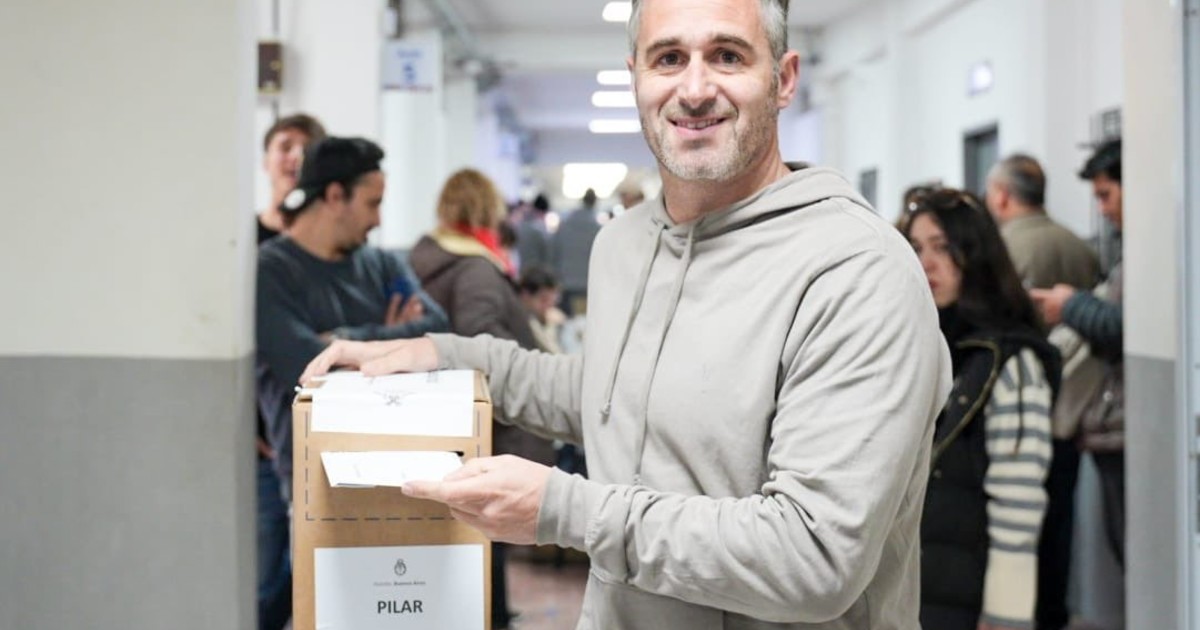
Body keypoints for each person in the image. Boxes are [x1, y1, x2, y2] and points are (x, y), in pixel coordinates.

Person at [301, 1, 951, 628]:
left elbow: (813, 556)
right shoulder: (625, 244)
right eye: (668, 58)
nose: (694, 89)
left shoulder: (857, 269)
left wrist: (565, 509)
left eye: (727, 55)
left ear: (783, 79)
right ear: (635, 76)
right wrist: (442, 355)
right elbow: (615, 398)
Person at [902, 189, 1061, 630]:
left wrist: (1006, 613)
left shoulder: (1010, 361)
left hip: (967, 597)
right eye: (916, 248)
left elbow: (1019, 502)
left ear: (974, 255)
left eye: (943, 248)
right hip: (913, 590)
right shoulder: (915, 345)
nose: (927, 263)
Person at [256, 135, 449, 495]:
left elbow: (437, 330)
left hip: (396, 468)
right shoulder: (269, 272)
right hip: (311, 480)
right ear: (334, 196)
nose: (377, 220)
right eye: (372, 204)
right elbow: (307, 367)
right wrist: (396, 342)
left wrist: (344, 342)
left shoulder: (384, 266)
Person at [407, 168, 556, 629]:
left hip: (446, 424)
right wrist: (529, 365)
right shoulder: (474, 268)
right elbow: (482, 339)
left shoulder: (429, 259)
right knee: (485, 538)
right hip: (491, 428)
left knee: (471, 542)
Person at [984, 153, 1101, 630]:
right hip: (1073, 413)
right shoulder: (1079, 247)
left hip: (1017, 419)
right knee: (1058, 532)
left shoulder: (1001, 254)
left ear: (1002, 196)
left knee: (1013, 529)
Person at [1030, 139, 1126, 569]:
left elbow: (1122, 325)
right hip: (1106, 421)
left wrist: (1070, 306)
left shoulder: (1151, 248)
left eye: (1106, 195)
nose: (1103, 209)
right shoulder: (1079, 243)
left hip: (1116, 423)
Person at [253, 111, 325, 630]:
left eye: (306, 147)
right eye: (284, 145)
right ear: (265, 159)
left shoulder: (329, 249)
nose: (294, 156)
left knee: (309, 575)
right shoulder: (244, 241)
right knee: (263, 577)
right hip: (259, 441)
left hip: (316, 436)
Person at [258, 113, 327, 244]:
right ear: (266, 161)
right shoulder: (241, 233)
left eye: (308, 150)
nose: (297, 157)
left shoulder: (334, 239)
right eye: (285, 148)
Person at [552, 188, 601, 316]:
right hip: (588, 285)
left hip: (566, 283)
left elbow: (554, 253)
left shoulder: (565, 225)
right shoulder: (597, 229)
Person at [517, 265, 565, 354]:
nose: (549, 306)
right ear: (525, 296)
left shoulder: (541, 317)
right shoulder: (522, 321)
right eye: (544, 300)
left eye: (553, 300)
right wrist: (551, 326)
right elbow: (554, 353)